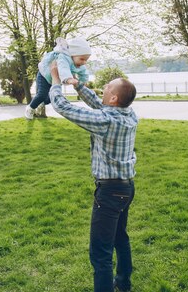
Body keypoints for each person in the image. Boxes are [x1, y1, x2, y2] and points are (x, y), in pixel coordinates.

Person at [49, 61, 138, 292]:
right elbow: (100, 104)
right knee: (120, 237)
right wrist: (78, 86)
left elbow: (63, 108)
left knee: (100, 253)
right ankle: (124, 282)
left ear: (114, 99)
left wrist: (56, 81)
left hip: (109, 193)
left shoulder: (106, 121)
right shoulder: (129, 113)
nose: (104, 87)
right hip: (126, 189)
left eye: (108, 87)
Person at [25, 37, 91, 120]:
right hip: (44, 75)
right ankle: (30, 108)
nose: (84, 62)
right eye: (82, 59)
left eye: (86, 60)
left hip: (54, 80)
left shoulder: (80, 64)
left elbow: (84, 73)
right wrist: (69, 79)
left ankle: (40, 103)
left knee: (50, 99)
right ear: (73, 54)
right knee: (42, 94)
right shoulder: (63, 57)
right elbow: (64, 68)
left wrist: (83, 82)